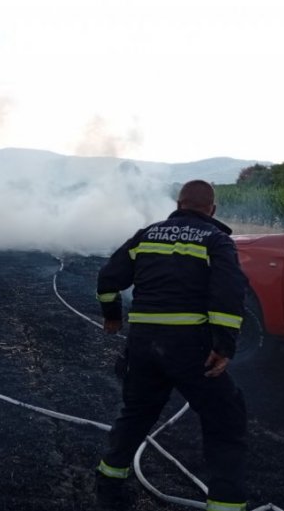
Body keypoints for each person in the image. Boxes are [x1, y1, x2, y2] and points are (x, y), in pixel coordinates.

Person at [94, 180, 249, 511]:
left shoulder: (147, 235)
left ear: (178, 205)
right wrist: (224, 346)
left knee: (136, 413)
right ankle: (226, 503)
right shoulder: (216, 240)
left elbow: (107, 280)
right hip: (191, 347)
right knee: (225, 419)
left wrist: (112, 316)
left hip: (143, 344)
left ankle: (108, 481)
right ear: (212, 210)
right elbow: (229, 294)